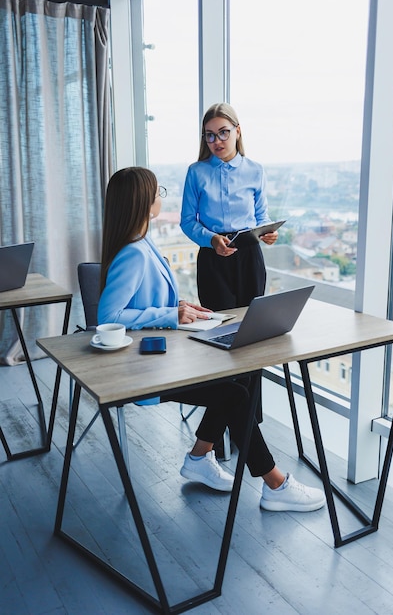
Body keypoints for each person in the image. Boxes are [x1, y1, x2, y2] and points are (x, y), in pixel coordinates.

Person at [97, 166, 325, 512]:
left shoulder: (143, 243)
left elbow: (141, 301)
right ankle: (274, 483)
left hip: (163, 354)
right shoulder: (133, 253)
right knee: (234, 392)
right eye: (158, 192)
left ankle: (200, 458)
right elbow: (108, 318)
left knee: (238, 376)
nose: (161, 198)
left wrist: (178, 306)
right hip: (144, 372)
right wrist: (169, 315)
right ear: (144, 203)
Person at [180, 102, 278, 312]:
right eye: (210, 135)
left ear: (238, 131)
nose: (217, 141)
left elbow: (261, 216)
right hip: (212, 256)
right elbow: (187, 221)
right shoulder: (196, 172)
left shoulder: (255, 170)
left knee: (251, 321)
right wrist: (212, 239)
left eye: (224, 132)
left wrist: (267, 232)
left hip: (249, 256)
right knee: (218, 324)